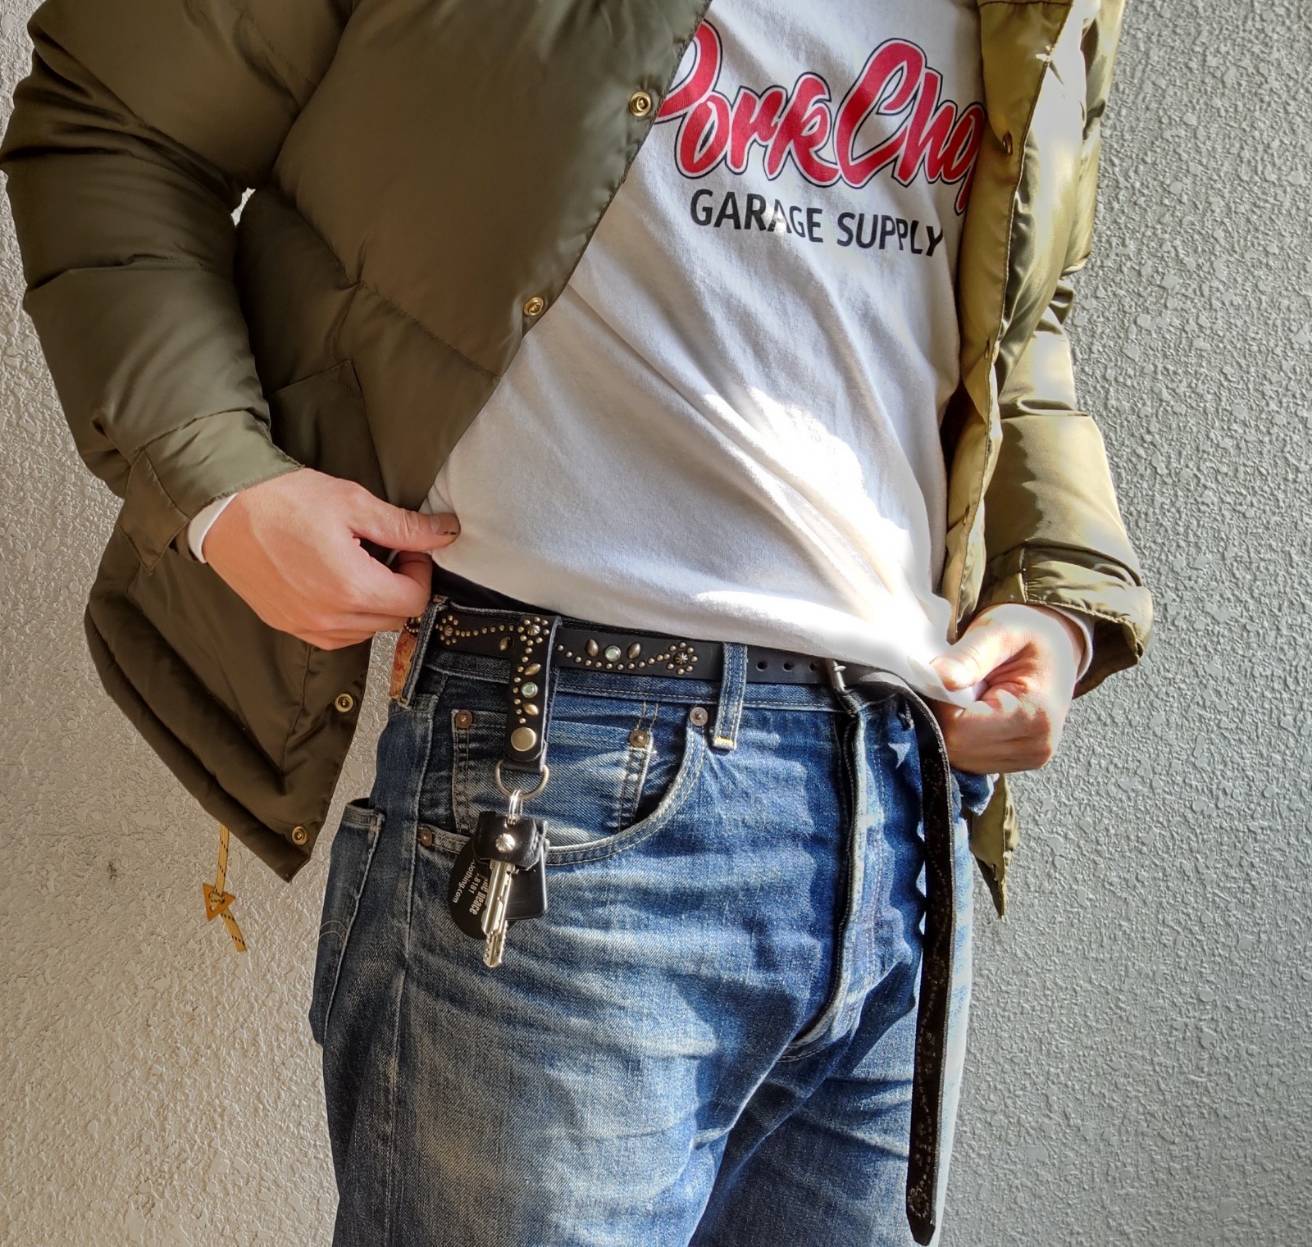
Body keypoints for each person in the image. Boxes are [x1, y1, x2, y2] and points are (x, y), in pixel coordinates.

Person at [0, 1, 1151, 1244]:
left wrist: (1054, 589)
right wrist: (221, 483)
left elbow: (1015, 324)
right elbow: (111, 121)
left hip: (900, 795)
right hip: (565, 768)